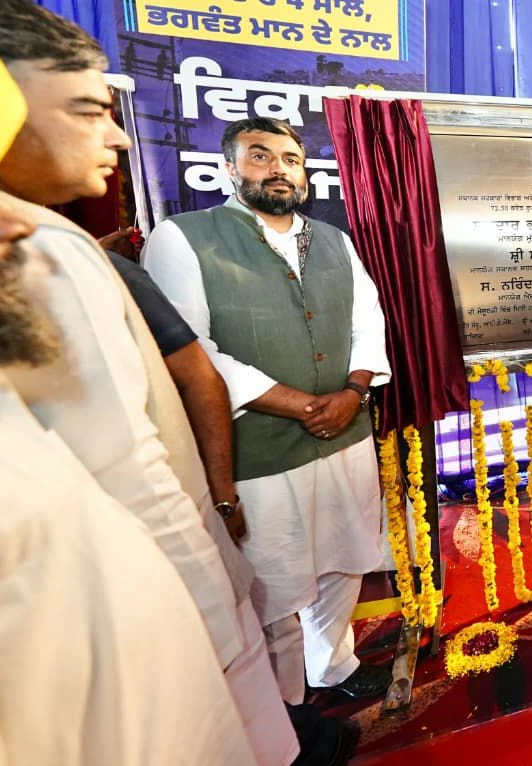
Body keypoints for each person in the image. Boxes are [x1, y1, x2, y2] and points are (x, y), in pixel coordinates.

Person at [0, 2, 301, 766]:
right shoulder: (54, 248)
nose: (117, 137)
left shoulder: (46, 237)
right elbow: (134, 454)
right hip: (124, 630)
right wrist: (217, 617)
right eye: (87, 110)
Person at [144, 116, 393, 703]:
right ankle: (285, 709)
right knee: (271, 584)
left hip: (345, 433)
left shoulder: (334, 240)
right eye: (260, 156)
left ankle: (333, 667)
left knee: (344, 559)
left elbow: (369, 324)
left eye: (290, 159)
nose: (278, 168)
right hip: (256, 450)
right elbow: (191, 351)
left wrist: (353, 394)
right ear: (229, 169)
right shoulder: (182, 238)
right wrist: (302, 405)